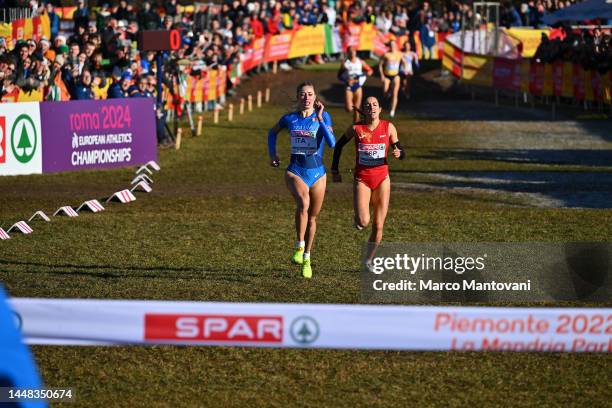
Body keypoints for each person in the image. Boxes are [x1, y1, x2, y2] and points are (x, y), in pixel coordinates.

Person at [267, 82, 336, 278]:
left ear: (315, 98)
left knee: (312, 218)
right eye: (303, 94)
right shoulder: (290, 119)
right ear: (298, 97)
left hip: (318, 174)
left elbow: (331, 143)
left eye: (310, 94)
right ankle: (299, 246)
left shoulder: (323, 117)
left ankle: (307, 257)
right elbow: (272, 133)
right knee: (303, 203)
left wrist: (321, 119)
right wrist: (273, 154)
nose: (306, 98)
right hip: (295, 171)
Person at [331, 96, 405, 267]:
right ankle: (358, 217)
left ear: (379, 110)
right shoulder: (356, 128)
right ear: (364, 110)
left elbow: (400, 150)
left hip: (382, 179)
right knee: (364, 222)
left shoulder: (389, 127)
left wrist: (399, 153)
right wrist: (335, 170)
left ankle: (369, 260)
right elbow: (339, 146)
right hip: (362, 179)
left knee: (378, 226)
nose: (371, 107)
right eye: (367, 105)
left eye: (374, 105)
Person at [338, 46, 373, 123]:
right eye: (350, 51)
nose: (352, 52)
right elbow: (339, 76)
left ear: (356, 52)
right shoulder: (345, 63)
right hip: (349, 86)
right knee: (349, 108)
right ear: (348, 52)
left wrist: (367, 73)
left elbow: (370, 70)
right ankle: (347, 106)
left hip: (358, 86)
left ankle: (356, 126)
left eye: (353, 51)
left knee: (357, 108)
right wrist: (347, 80)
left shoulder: (360, 62)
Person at [378, 40, 405, 118]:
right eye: (391, 45)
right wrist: (382, 75)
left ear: (396, 45)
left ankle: (392, 111)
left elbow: (404, 62)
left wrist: (405, 68)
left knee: (395, 93)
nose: (392, 46)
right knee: (385, 93)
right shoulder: (386, 54)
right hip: (387, 76)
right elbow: (380, 65)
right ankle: (388, 93)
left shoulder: (399, 54)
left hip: (396, 76)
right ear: (389, 46)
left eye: (394, 44)